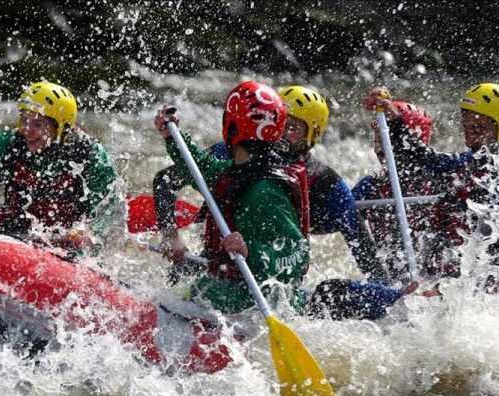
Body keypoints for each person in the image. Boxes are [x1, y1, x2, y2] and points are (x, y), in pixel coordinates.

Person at [155, 85, 389, 283]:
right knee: (181, 274)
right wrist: (170, 235)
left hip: (267, 273)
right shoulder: (232, 154)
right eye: (281, 122)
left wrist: (385, 291)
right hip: (227, 261)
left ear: (312, 135)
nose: (281, 133)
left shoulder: (323, 183)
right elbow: (174, 176)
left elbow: (351, 248)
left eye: (293, 127)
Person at [362, 83, 499, 295]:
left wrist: (447, 287)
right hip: (463, 279)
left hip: (494, 287)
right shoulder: (475, 162)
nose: (469, 134)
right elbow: (425, 162)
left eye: (477, 127)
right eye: (466, 126)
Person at [153, 80, 311, 314]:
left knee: (197, 290)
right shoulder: (236, 172)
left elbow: (298, 255)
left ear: (232, 124)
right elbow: (200, 167)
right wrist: (174, 138)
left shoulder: (264, 191)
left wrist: (251, 252)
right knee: (188, 284)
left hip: (263, 301)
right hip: (237, 287)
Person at [0, 81, 124, 250]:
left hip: (66, 243)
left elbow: (108, 207)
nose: (28, 130)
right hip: (15, 234)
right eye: (24, 120)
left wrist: (90, 233)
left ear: (60, 128)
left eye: (38, 124)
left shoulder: (89, 155)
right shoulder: (7, 145)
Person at [352, 100, 446, 282]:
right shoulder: (372, 186)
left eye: (386, 140)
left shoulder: (439, 184)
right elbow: (338, 217)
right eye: (378, 139)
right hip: (393, 281)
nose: (380, 148)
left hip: (437, 281)